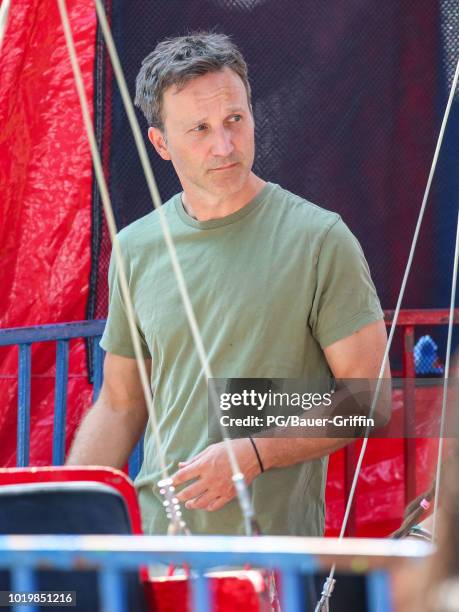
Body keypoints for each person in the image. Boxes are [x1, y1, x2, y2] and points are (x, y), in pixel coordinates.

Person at [67, 31, 390, 537]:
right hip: (162, 547)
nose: (225, 145)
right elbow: (120, 404)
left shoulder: (320, 238)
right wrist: (64, 511)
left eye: (234, 119)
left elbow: (368, 398)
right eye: (199, 128)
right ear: (161, 144)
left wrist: (254, 453)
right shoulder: (135, 247)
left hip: (274, 558)